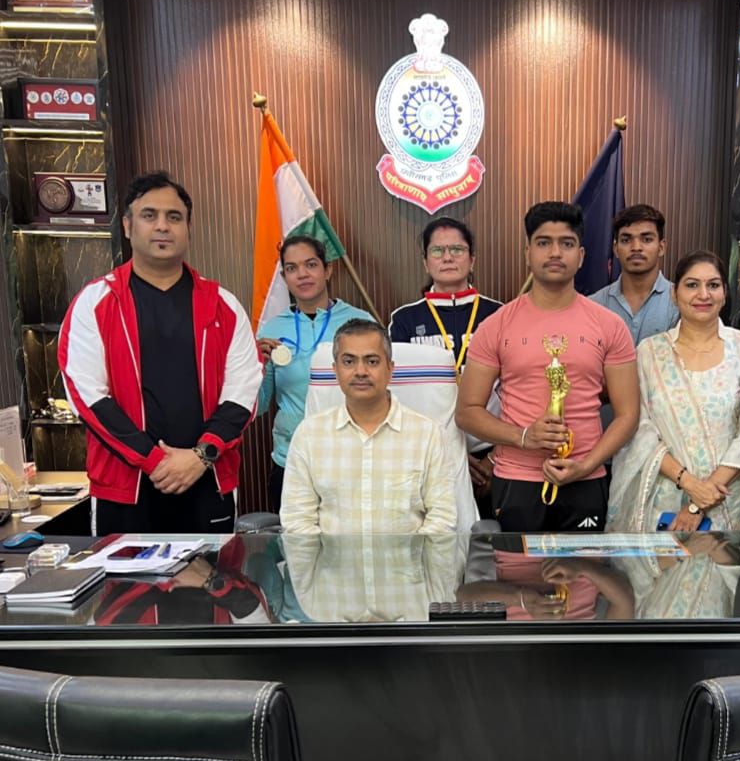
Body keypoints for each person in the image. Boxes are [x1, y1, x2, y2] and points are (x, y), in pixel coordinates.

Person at [58, 171, 262, 536]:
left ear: (188, 228)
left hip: (207, 481)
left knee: (214, 575)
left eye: (174, 217)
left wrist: (201, 455)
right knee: (121, 576)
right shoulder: (96, 302)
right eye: (149, 215)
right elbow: (87, 397)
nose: (162, 226)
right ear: (127, 226)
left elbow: (243, 392)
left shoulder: (223, 305)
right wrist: (154, 461)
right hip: (125, 490)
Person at [456, 201, 639, 532]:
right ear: (528, 253)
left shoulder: (610, 326)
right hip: (517, 479)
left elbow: (628, 415)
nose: (555, 252)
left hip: (586, 478)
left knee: (583, 567)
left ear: (581, 256)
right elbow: (467, 412)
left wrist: (586, 465)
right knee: (518, 567)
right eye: (544, 242)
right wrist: (523, 436)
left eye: (566, 243)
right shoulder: (495, 326)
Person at [606, 250, 740, 534]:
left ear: (724, 293)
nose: (703, 294)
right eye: (692, 285)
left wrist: (701, 499)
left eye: (713, 285)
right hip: (662, 502)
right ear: (674, 294)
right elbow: (639, 429)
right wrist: (690, 484)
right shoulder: (650, 352)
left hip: (727, 501)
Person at [280, 319, 455, 535]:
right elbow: (297, 521)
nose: (360, 371)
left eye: (372, 361)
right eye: (348, 362)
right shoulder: (309, 435)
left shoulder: (427, 435)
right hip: (332, 558)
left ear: (390, 369)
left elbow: (442, 520)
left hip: (408, 558)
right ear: (335, 370)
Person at [256, 236, 373, 511]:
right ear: (284, 277)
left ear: (327, 269)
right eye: (292, 268)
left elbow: (380, 393)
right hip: (291, 460)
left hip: (352, 458)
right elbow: (259, 406)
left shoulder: (360, 323)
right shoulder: (270, 330)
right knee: (296, 537)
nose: (302, 274)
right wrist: (257, 367)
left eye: (310, 264)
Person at [389, 217, 502, 501]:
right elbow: (400, 397)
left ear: (472, 259)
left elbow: (518, 390)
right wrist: (451, 455)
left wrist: (495, 457)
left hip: (493, 456)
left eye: (457, 249)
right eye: (438, 250)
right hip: (429, 458)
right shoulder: (404, 319)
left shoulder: (499, 315)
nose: (448, 257)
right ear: (425, 262)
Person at [587, 204, 679, 344]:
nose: (636, 247)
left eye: (646, 239)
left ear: (661, 247)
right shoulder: (594, 305)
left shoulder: (680, 302)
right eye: (626, 240)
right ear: (615, 249)